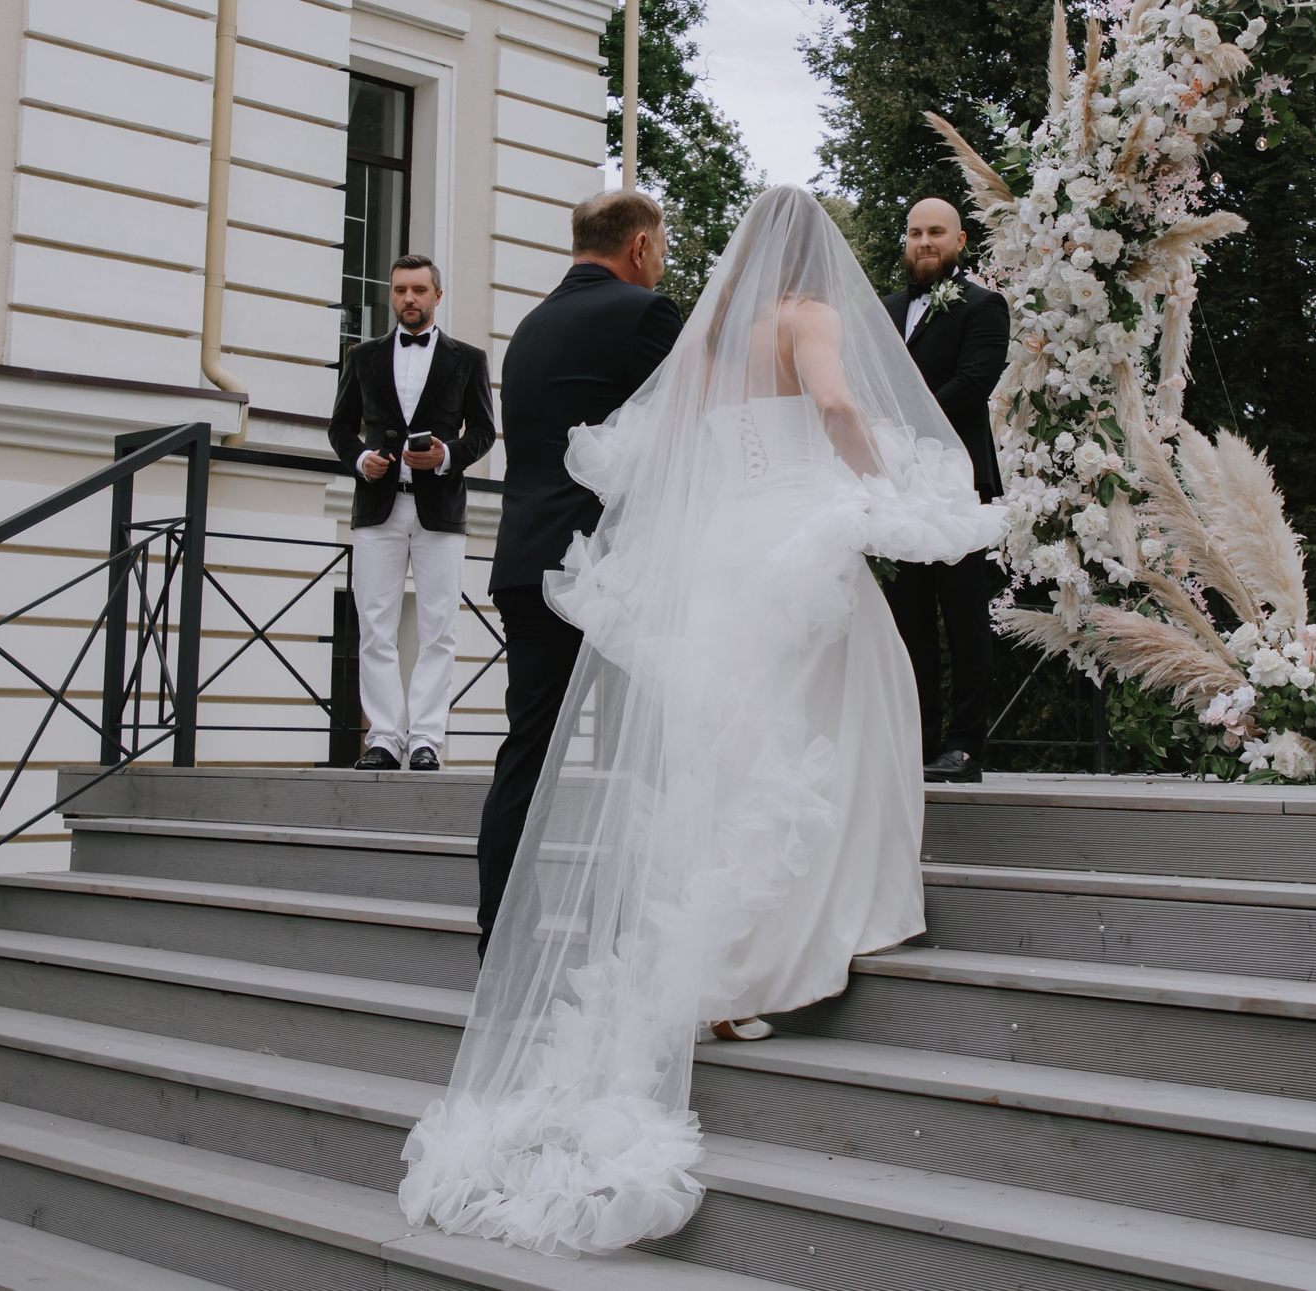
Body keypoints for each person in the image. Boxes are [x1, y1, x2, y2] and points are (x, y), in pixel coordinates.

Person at [398, 186, 1002, 1259]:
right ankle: (799, 938)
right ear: (813, 254)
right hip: (797, 545)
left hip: (719, 555)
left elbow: (660, 446)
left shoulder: (703, 337)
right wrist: (878, 491)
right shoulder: (802, 318)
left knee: (730, 752)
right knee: (850, 716)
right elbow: (833, 410)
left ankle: (690, 962)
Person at [475, 189, 681, 952]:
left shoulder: (527, 327)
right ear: (637, 247)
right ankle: (640, 929)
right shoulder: (644, 315)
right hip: (613, 569)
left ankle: (501, 926)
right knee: (648, 749)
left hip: (528, 562)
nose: (660, 264)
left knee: (528, 750)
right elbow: (687, 429)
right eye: (659, 249)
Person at [329, 255, 496, 772]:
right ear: (392, 295)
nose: (409, 299)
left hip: (440, 510)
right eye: (401, 290)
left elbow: (484, 432)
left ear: (436, 296)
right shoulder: (363, 357)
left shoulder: (467, 358)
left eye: (419, 290)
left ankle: (425, 739)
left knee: (438, 627)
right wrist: (361, 460)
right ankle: (383, 738)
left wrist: (445, 456)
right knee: (374, 625)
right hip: (377, 508)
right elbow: (339, 428)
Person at [881, 197, 1012, 783]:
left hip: (958, 483)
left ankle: (963, 745)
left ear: (960, 242)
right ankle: (918, 738)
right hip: (893, 488)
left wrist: (899, 423)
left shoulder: (985, 307)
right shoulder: (881, 313)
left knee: (963, 617)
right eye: (914, 233)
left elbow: (972, 383)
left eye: (936, 232)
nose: (924, 241)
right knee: (907, 619)